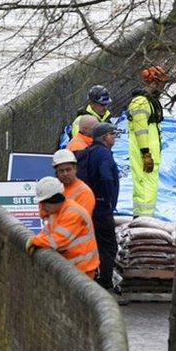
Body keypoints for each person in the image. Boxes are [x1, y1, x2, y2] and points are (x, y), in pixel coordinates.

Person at [26, 176, 99, 278]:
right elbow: (46, 232)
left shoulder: (72, 213)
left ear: (54, 200)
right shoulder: (57, 212)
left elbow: (56, 241)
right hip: (74, 266)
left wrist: (35, 241)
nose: (42, 207)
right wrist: (37, 239)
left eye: (44, 203)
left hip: (83, 269)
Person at [78, 122, 121, 290]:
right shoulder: (104, 154)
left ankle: (95, 274)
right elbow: (106, 176)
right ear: (105, 137)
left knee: (95, 243)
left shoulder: (90, 151)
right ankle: (106, 281)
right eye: (113, 135)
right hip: (102, 208)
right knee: (109, 246)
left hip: (91, 206)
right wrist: (107, 199)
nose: (115, 138)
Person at [128, 66, 167, 217]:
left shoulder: (149, 102)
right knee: (144, 186)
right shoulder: (140, 103)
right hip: (144, 154)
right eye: (161, 84)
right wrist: (145, 153)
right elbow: (140, 130)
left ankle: (145, 217)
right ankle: (142, 219)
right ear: (154, 82)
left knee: (149, 186)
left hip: (150, 153)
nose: (163, 88)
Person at [44, 149, 95, 217]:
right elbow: (43, 213)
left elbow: (79, 220)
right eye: (61, 171)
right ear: (57, 172)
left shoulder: (84, 192)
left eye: (68, 170)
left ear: (75, 169)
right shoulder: (53, 189)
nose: (65, 174)